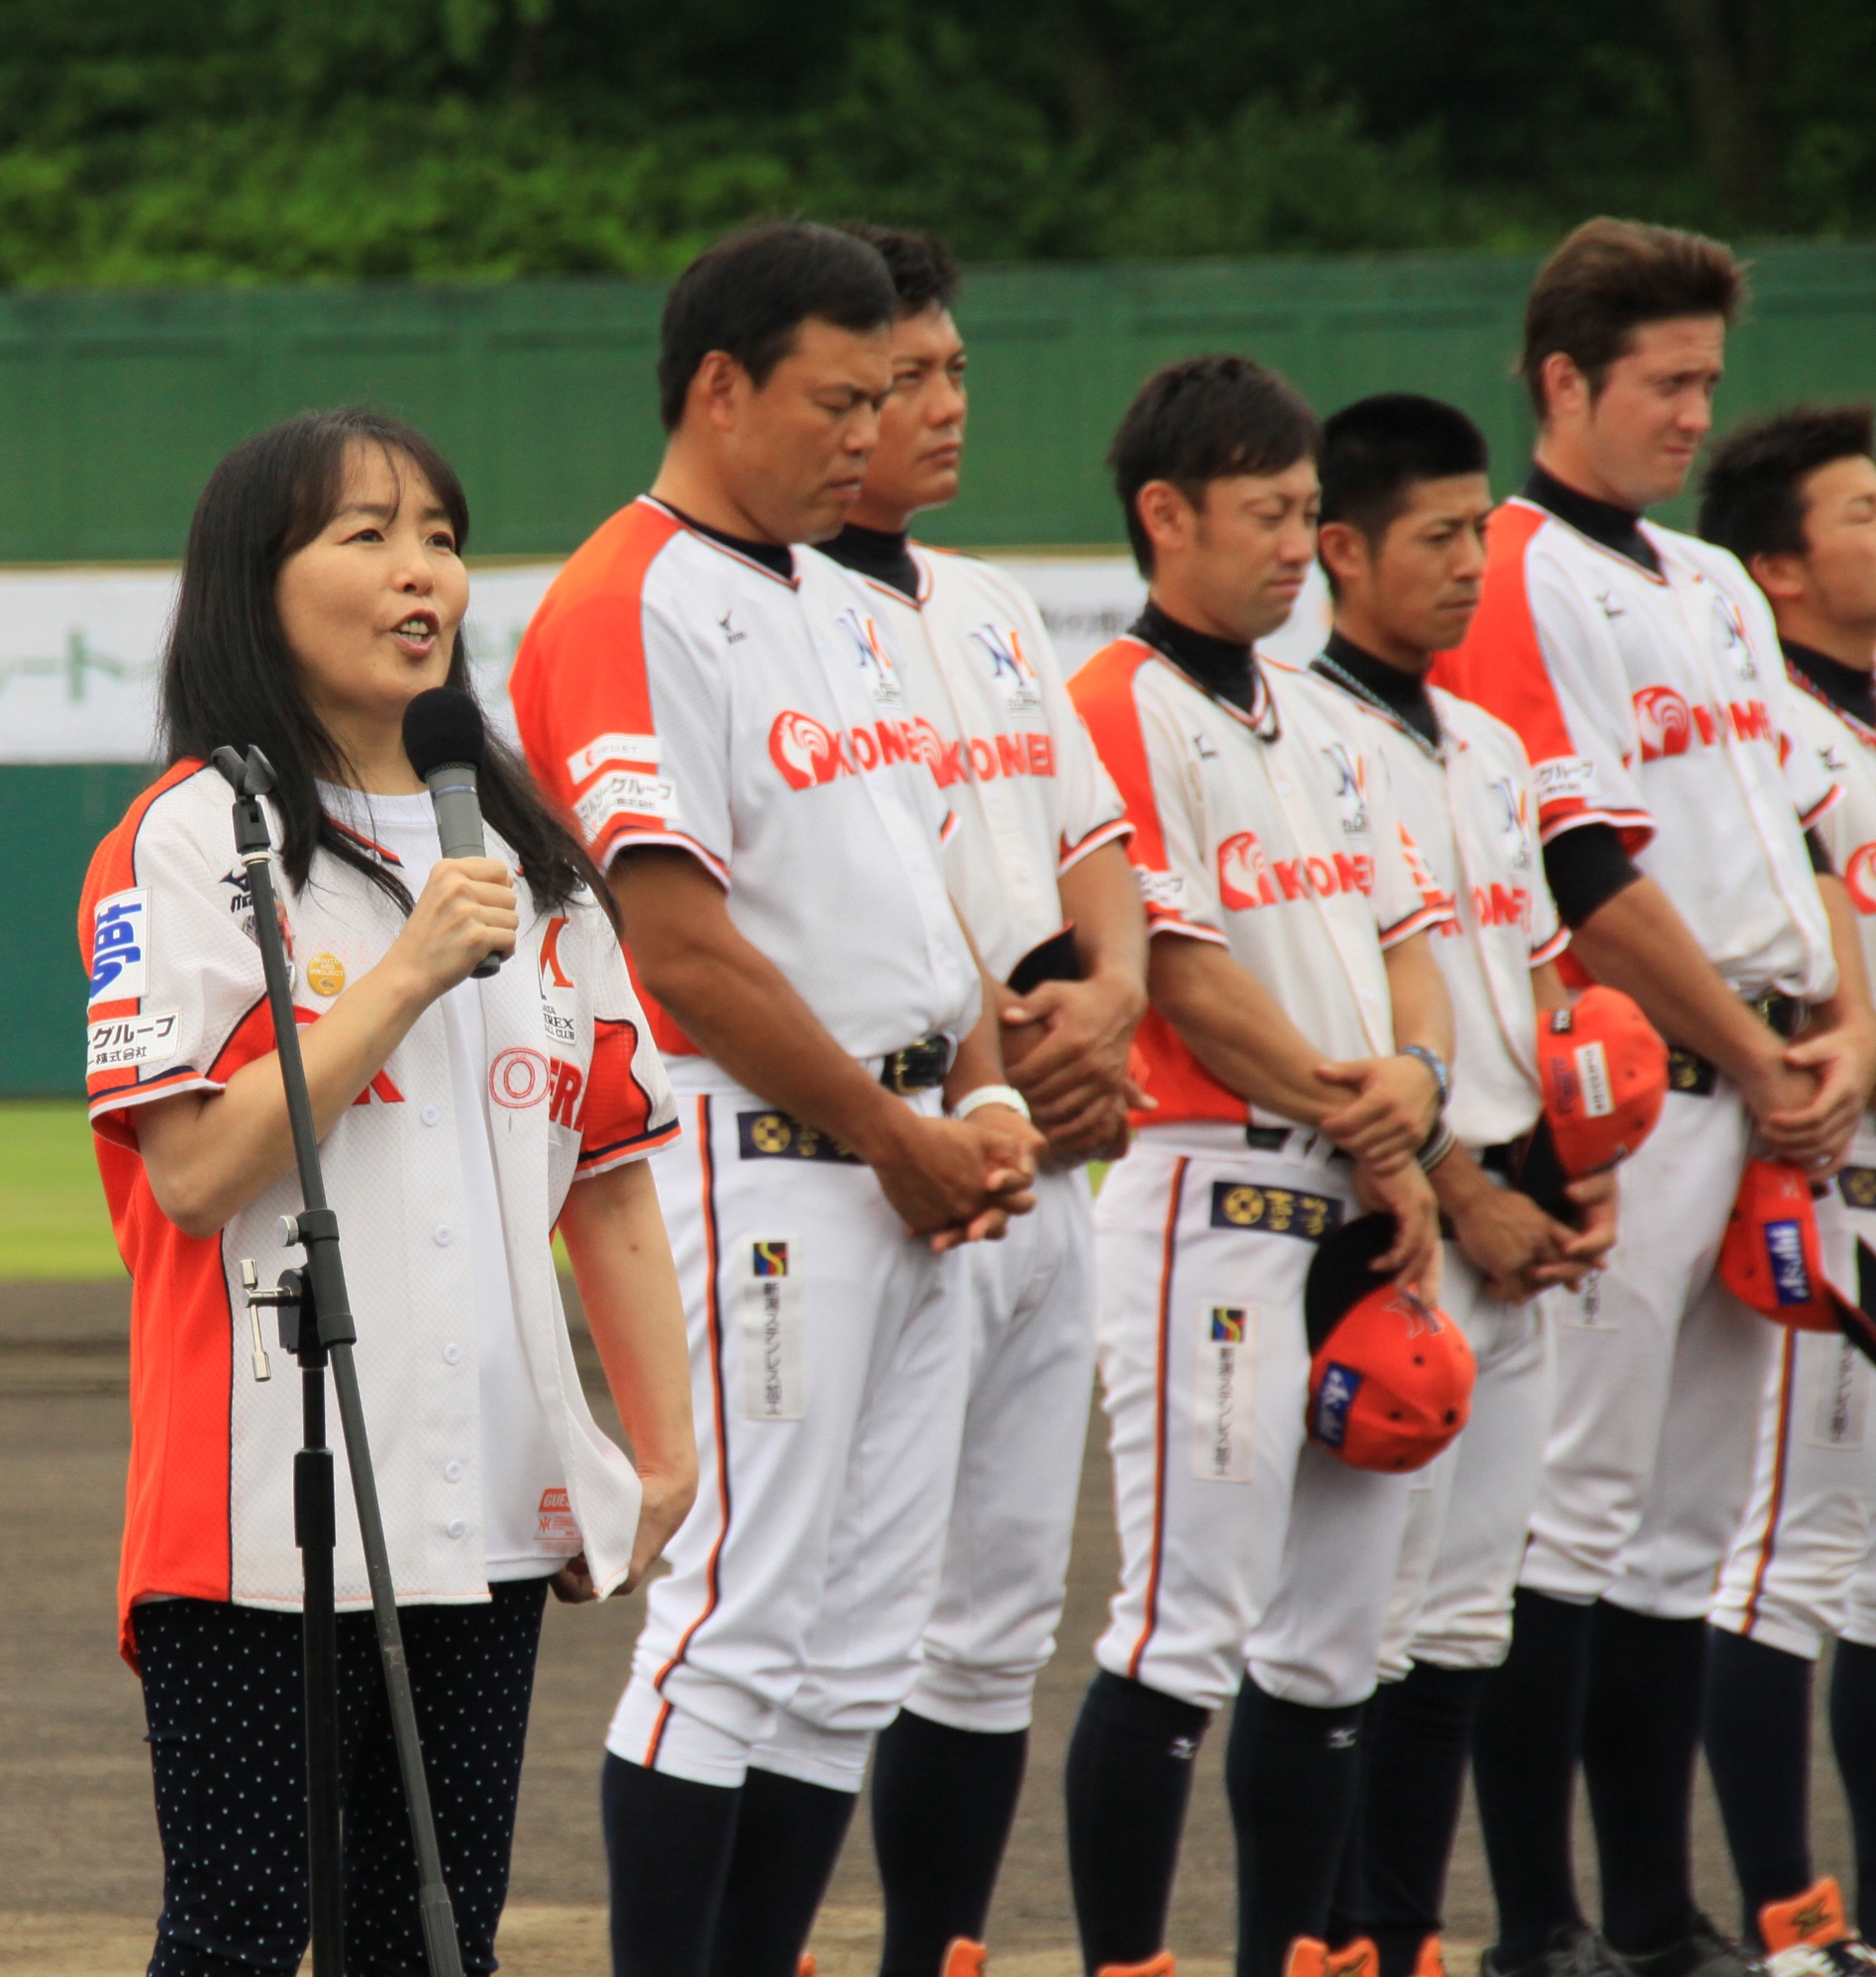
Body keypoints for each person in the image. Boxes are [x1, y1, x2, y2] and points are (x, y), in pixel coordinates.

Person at [80, 405, 698, 1977]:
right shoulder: (190, 838)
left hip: (483, 1508)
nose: (419, 572)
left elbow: (611, 1182)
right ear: (254, 583)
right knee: (235, 1937)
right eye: (365, 535)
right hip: (251, 1516)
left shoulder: (532, 862)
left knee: (436, 1941)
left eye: (440, 535)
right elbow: (201, 1168)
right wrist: (409, 968)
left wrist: (668, 1452)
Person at [510, 218, 1043, 1977]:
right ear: (719, 388)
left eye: (886, 393)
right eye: (836, 397)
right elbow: (678, 944)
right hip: (762, 1167)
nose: (865, 431)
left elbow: (925, 896)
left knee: (856, 1642)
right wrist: (900, 1134)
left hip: (896, 1158)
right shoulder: (625, 597)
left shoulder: (837, 600)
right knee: (734, 1627)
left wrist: (979, 1103)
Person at [1434, 220, 1876, 1977]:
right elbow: (1580, 858)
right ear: (1563, 380)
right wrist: (1765, 1050)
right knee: (1568, 1520)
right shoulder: (1520, 566)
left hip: (1768, 1084)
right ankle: (1538, 1923)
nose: (1698, 411)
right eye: (1666, 381)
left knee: (1684, 1538)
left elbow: (1819, 826)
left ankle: (1653, 1917)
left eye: (1707, 377)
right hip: (1642, 1093)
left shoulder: (1699, 584)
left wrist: (1840, 1030)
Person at [1063, 355, 1462, 1977]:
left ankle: (1295, 1957)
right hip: (1207, 1198)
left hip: (1357, 1195)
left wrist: (1414, 1093)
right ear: (1166, 514)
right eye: (1266, 512)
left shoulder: (1322, 714)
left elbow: (1410, 943)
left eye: (1308, 511)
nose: (1298, 544)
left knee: (1330, 1646)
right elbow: (1175, 973)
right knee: (1183, 1627)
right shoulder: (1108, 705)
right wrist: (1364, 1114)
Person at [819, 223, 1150, 1977]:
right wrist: (988, 1060)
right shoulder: (763, 606)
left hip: (1047, 1170)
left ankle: (932, 1950)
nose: (943, 406)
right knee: (816, 1610)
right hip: (875, 1159)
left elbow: (1097, 850)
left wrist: (1107, 1002)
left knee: (996, 1616)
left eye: (952, 372)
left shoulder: (997, 607)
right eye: (904, 378)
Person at [1294, 394, 1621, 1977]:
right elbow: (1340, 1009)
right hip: (1401, 1222)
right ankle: (1339, 1939)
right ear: (1336, 547)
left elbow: (1544, 993)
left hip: (1516, 1229)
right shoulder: (1303, 734)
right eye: (1434, 535)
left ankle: (1409, 1941)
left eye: (1478, 531)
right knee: (1351, 1626)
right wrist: (1455, 1178)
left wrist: (1579, 1175)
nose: (1467, 563)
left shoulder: (1487, 744)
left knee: (1460, 1630)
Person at [1692, 405, 1876, 1977]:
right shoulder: (1772, 743)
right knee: (1778, 1561)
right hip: (1820, 1179)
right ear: (1775, 566)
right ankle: (1780, 1916)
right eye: (1862, 512)